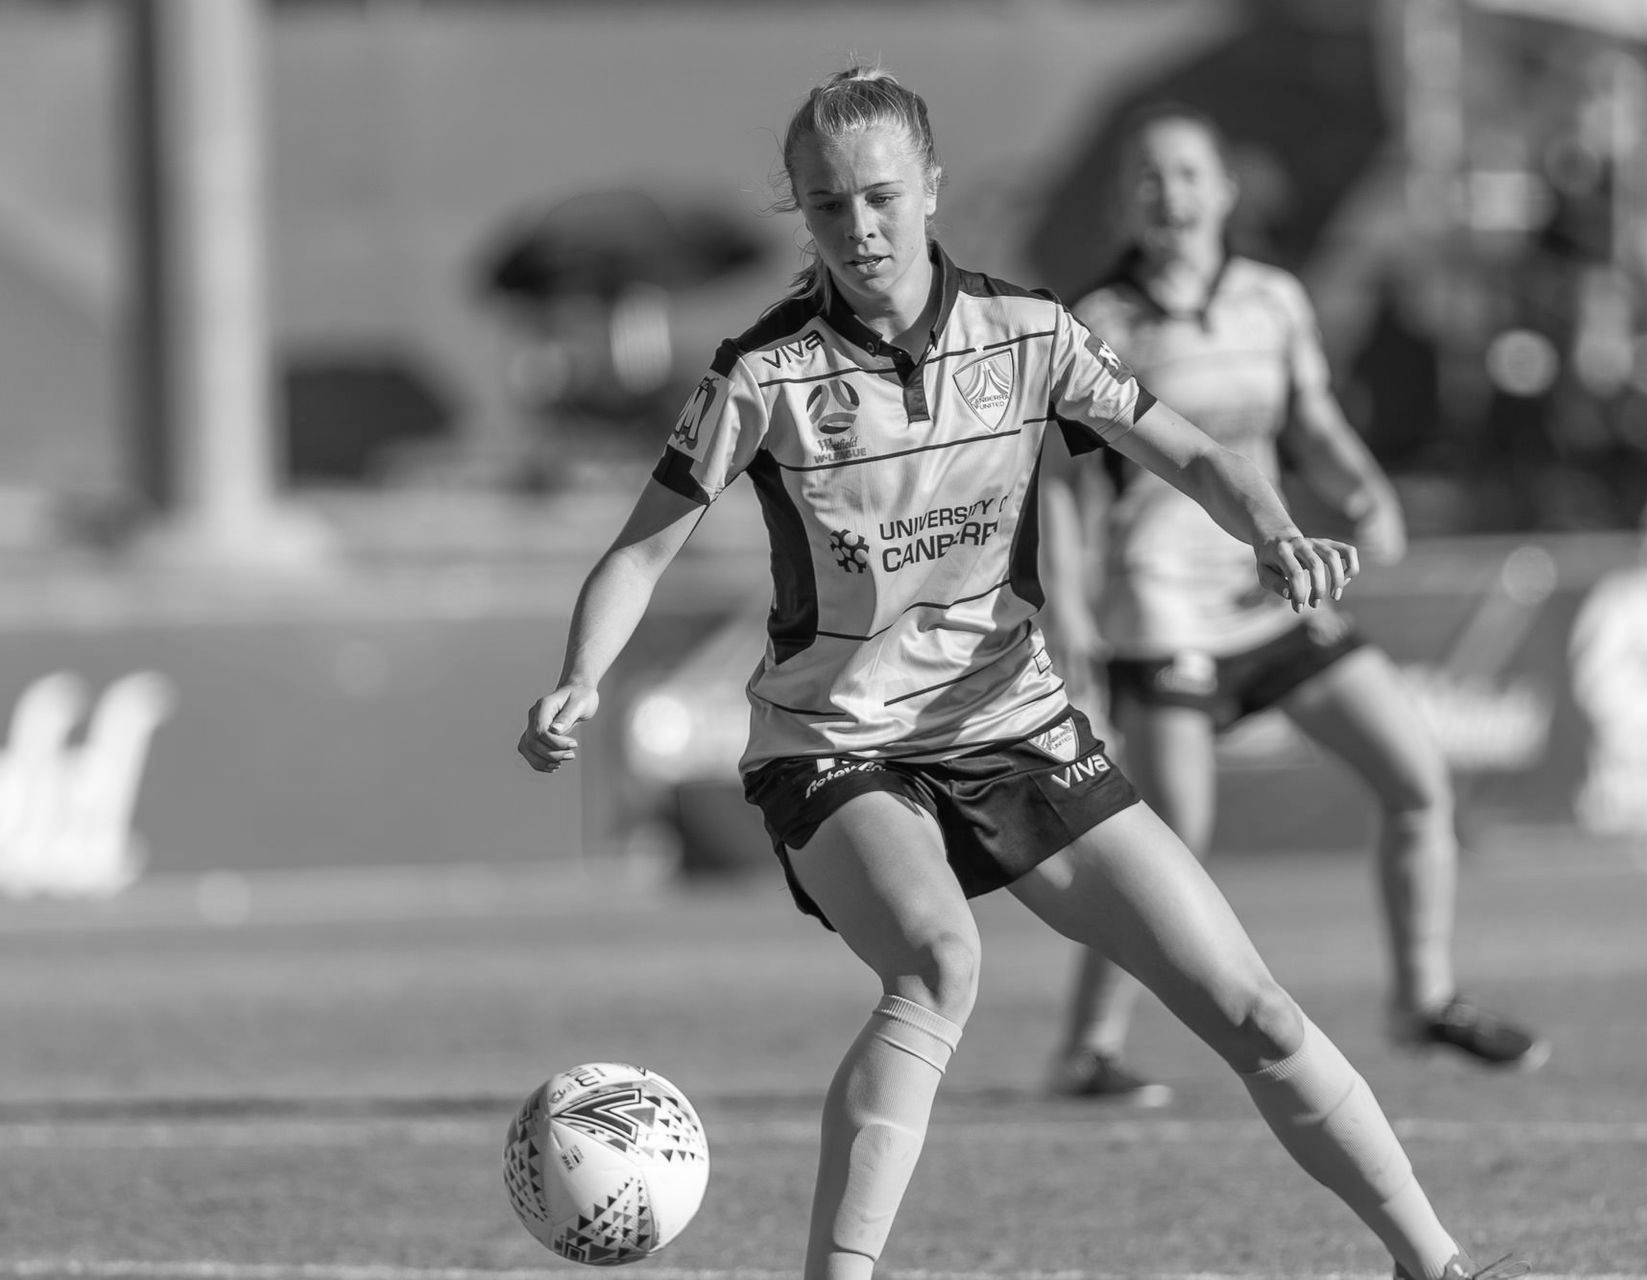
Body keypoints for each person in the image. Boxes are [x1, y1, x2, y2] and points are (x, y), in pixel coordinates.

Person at [519, 66, 1526, 1280]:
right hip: (837, 746)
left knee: (1253, 1009)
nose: (861, 229)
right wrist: (581, 675)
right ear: (802, 212)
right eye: (828, 207)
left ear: (933, 188)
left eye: (883, 197)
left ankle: (1441, 1265)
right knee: (940, 961)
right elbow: (638, 552)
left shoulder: (1033, 333)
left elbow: (1192, 448)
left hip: (1018, 723)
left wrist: (1272, 530)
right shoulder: (761, 374)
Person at [1040, 105, 1547, 1107]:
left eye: (1188, 174)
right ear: (1125, 202)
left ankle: (1422, 997)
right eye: (1148, 178)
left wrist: (1364, 487)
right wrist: (1072, 616)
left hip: (1272, 595)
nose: (1170, 194)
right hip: (1163, 609)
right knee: (1164, 840)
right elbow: (1061, 481)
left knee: (1415, 776)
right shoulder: (1104, 319)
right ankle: (1087, 1048)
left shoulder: (1274, 300)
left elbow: (1311, 421)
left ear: (1225, 190)